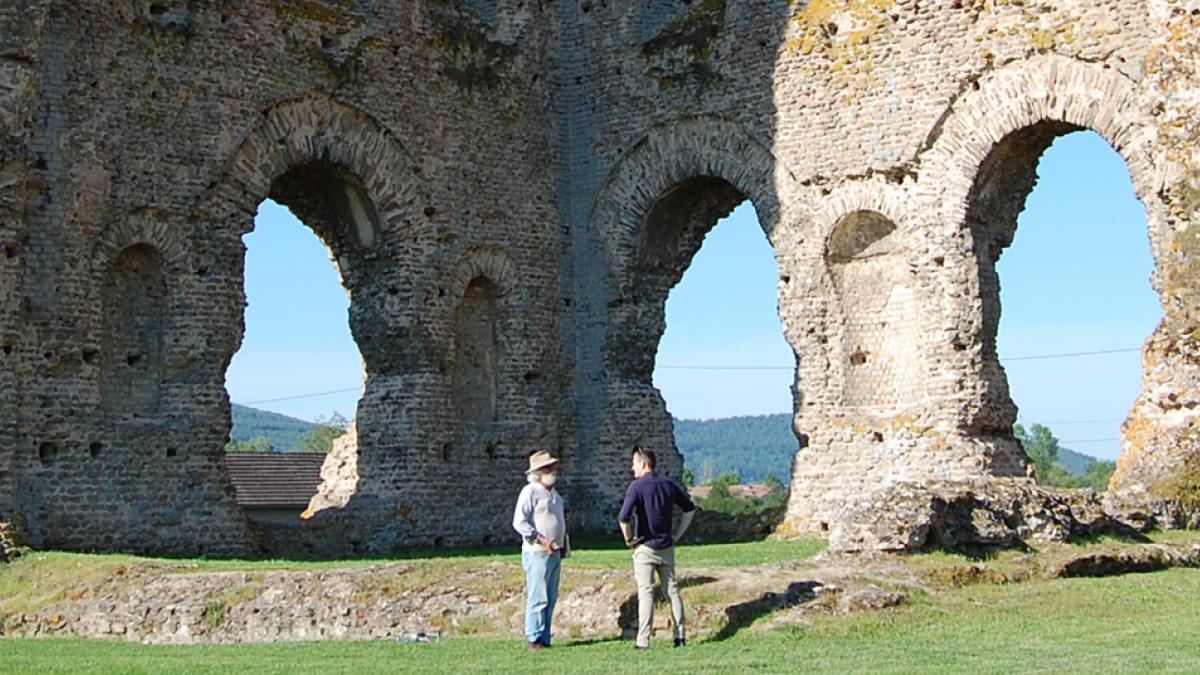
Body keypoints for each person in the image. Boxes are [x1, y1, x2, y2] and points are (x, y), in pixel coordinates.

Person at [617, 446, 696, 650]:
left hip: (645, 546)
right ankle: (680, 635)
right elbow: (689, 508)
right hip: (666, 546)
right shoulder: (668, 485)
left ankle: (643, 640)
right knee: (672, 591)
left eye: (634, 463)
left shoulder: (636, 487)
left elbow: (623, 518)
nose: (631, 467)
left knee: (646, 592)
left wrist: (629, 540)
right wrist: (678, 534)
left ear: (643, 464)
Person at [512, 450, 568, 650]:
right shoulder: (530, 492)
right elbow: (519, 522)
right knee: (538, 595)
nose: (552, 470)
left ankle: (545, 637)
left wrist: (562, 546)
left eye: (552, 466)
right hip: (537, 552)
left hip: (554, 552)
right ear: (537, 472)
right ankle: (534, 638)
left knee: (551, 596)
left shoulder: (554, 495)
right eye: (547, 467)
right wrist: (540, 539)